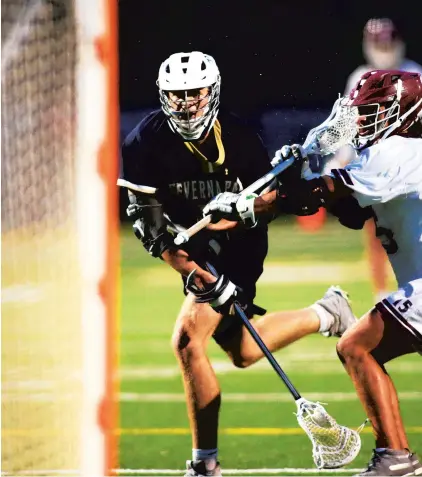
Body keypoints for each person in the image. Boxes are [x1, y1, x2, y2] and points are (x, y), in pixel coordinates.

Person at [117, 51, 357, 477]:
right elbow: (147, 222)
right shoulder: (144, 140)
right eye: (176, 95)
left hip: (239, 248)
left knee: (188, 343)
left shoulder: (241, 137)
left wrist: (244, 208)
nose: (186, 102)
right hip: (193, 248)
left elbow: (275, 203)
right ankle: (325, 313)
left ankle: (204, 464)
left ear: (213, 91)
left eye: (195, 92)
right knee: (243, 351)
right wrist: (196, 273)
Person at [201, 70, 422, 476]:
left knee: (358, 346)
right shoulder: (398, 155)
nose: (361, 121)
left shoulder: (398, 151)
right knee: (361, 347)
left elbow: (322, 194)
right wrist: (294, 175)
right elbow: (351, 212)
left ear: (403, 113)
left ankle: (396, 460)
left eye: (371, 112)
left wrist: (248, 207)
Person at [344, 17, 422, 303]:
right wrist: (344, 163)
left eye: (389, 41)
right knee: (379, 233)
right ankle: (382, 293)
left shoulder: (415, 73)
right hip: (376, 168)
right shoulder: (361, 77)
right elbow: (349, 126)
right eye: (380, 43)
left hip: (413, 168)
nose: (385, 48)